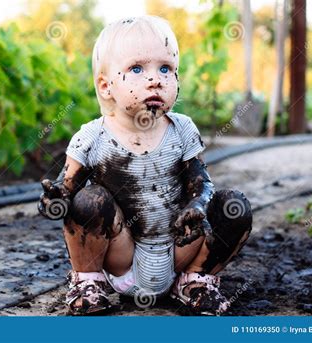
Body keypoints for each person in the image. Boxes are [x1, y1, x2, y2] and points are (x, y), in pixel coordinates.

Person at [38, 15, 252, 316]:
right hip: (121, 256)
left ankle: (197, 280)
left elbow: (201, 182)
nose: (155, 79)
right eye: (137, 69)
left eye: (166, 68)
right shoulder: (92, 136)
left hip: (180, 250)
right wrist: (54, 200)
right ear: (106, 85)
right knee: (88, 200)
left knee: (233, 205)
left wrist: (199, 205)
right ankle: (88, 282)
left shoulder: (183, 129)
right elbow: (66, 188)